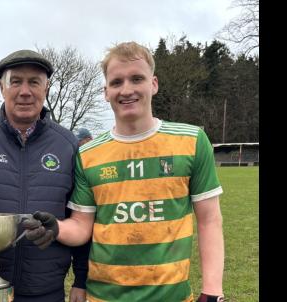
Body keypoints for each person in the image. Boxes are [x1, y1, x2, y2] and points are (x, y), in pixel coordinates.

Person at [22, 41, 226, 302]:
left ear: (153, 84)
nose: (126, 89)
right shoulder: (88, 154)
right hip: (102, 297)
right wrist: (56, 228)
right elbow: (83, 227)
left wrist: (212, 290)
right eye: (116, 82)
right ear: (106, 91)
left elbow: (210, 220)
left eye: (136, 79)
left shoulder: (192, 141)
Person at [0, 49, 88, 302]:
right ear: (2, 87)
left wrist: (81, 279)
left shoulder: (68, 145)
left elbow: (82, 217)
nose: (25, 91)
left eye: (34, 82)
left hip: (47, 292)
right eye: (16, 81)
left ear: (46, 88)